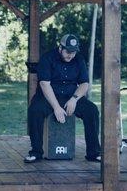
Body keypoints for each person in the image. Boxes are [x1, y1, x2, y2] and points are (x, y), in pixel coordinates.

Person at [24, 34, 101, 163]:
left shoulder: (79, 60)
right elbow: (44, 84)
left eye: (73, 52)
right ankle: (36, 152)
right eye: (68, 51)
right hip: (48, 97)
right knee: (35, 110)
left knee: (92, 110)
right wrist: (56, 107)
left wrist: (74, 99)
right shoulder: (47, 58)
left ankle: (93, 153)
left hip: (70, 96)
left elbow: (84, 84)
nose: (70, 55)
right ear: (60, 48)